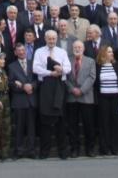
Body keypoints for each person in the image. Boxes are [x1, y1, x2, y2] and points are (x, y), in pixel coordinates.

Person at [34, 29, 70, 159]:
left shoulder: (62, 52)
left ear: (57, 39)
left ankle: (63, 152)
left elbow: (68, 68)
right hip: (45, 88)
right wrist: (50, 73)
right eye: (49, 38)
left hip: (59, 88)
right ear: (45, 39)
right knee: (45, 122)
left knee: (61, 122)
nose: (51, 41)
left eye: (54, 39)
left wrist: (61, 70)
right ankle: (44, 152)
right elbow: (35, 68)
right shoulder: (39, 52)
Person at [65, 39, 96, 157]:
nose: (77, 49)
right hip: (71, 97)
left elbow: (92, 77)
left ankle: (90, 149)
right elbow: (65, 78)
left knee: (88, 125)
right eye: (75, 48)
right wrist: (72, 89)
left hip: (86, 97)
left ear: (83, 49)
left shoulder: (90, 61)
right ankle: (74, 149)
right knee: (72, 126)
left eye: (79, 47)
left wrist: (82, 90)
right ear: (72, 49)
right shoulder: (67, 60)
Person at [8, 43, 37, 159]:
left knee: (31, 128)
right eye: (18, 50)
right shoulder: (11, 66)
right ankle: (18, 151)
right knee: (19, 128)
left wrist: (32, 86)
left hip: (31, 100)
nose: (21, 52)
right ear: (15, 53)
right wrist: (22, 87)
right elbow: (10, 83)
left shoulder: (33, 63)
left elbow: (38, 79)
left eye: (23, 50)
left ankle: (31, 151)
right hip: (19, 101)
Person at [95, 44, 118, 155]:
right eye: (109, 52)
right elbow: (96, 84)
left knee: (116, 122)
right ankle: (105, 147)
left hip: (116, 98)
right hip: (103, 98)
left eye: (112, 52)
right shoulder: (98, 66)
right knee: (104, 122)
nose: (111, 53)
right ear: (103, 53)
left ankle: (116, 147)